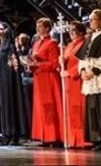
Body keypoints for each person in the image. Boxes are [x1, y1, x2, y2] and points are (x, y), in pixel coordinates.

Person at [78, 9, 101, 150]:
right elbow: (82, 57)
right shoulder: (90, 36)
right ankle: (95, 138)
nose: (90, 22)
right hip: (89, 79)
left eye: (93, 19)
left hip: (100, 77)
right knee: (92, 109)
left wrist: (92, 72)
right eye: (90, 20)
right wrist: (82, 71)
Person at [0, 21, 28, 143]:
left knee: (11, 105)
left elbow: (14, 65)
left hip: (10, 80)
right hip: (1, 80)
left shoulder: (10, 47)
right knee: (4, 106)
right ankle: (6, 133)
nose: (0, 32)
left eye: (2, 29)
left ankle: (13, 134)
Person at [29, 18, 62, 146]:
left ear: (48, 28)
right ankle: (44, 136)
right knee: (41, 108)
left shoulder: (52, 43)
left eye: (41, 26)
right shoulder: (36, 43)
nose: (38, 29)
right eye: (37, 26)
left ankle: (53, 137)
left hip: (48, 79)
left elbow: (54, 64)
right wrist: (30, 64)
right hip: (39, 79)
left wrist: (38, 65)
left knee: (49, 107)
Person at [61, 21, 89, 148]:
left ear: (81, 31)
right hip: (68, 83)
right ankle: (72, 139)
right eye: (70, 30)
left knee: (79, 109)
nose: (71, 32)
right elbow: (64, 61)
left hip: (78, 80)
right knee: (71, 111)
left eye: (74, 30)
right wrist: (61, 61)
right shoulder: (69, 45)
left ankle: (82, 139)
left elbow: (83, 63)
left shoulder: (84, 43)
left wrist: (69, 72)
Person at [15, 32, 34, 132]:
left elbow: (26, 63)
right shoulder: (20, 51)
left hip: (29, 79)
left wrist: (18, 51)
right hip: (23, 80)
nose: (21, 42)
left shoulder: (29, 51)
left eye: (23, 40)